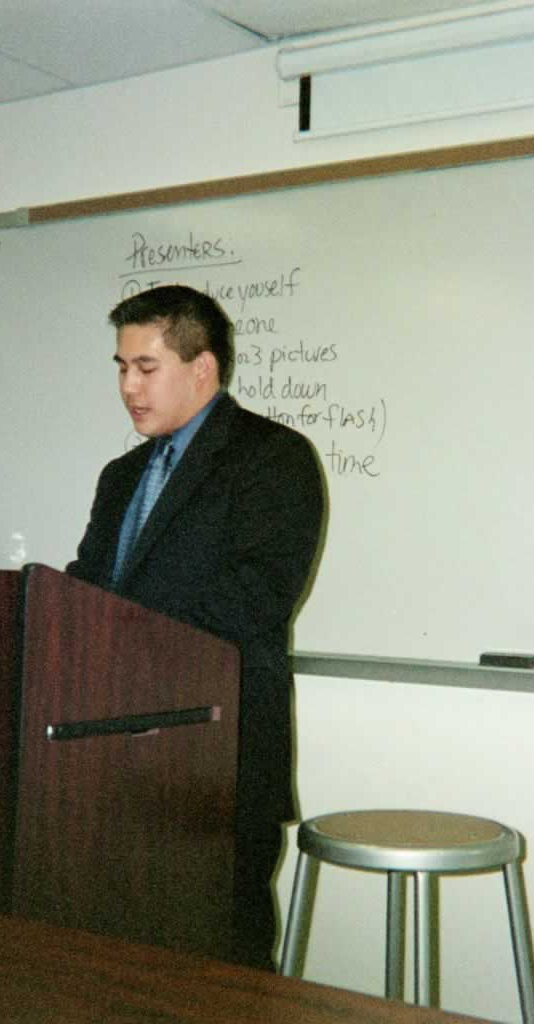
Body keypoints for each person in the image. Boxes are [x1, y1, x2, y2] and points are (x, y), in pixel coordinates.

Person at [66, 284, 325, 969]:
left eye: (146, 368)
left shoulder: (273, 457)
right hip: (113, 756)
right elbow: (91, 584)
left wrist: (126, 646)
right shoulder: (120, 475)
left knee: (223, 966)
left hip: (218, 755)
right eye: (121, 367)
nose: (128, 386)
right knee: (123, 963)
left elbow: (256, 596)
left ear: (202, 369)